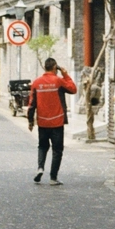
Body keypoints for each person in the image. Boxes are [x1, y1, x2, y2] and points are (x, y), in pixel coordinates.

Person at [27, 57, 77, 185]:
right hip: (57, 122)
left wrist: (30, 121)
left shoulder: (37, 83)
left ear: (44, 67)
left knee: (42, 147)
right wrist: (65, 74)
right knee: (57, 150)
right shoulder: (58, 81)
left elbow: (31, 103)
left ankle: (40, 168)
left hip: (42, 122)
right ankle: (53, 178)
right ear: (55, 67)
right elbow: (73, 89)